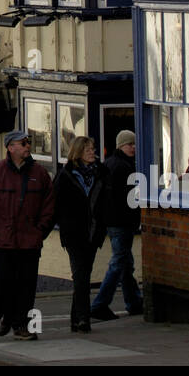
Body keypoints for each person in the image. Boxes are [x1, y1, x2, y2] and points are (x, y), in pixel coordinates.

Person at [0, 129, 56, 340]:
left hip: (29, 241)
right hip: (3, 240)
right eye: (23, 143)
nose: (27, 146)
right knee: (1, 281)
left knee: (26, 286)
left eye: (28, 143)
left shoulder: (39, 174)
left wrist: (40, 231)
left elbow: (49, 206)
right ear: (11, 148)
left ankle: (21, 325)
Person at [54, 133, 107, 333]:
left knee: (84, 274)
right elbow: (55, 204)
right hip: (74, 233)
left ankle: (75, 318)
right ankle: (84, 319)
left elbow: (105, 202)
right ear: (78, 152)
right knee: (80, 275)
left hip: (93, 232)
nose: (93, 152)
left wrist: (103, 223)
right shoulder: (66, 175)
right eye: (88, 150)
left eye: (93, 149)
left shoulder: (100, 173)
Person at [92, 130, 143, 322]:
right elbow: (126, 198)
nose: (133, 148)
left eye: (134, 144)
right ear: (120, 146)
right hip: (121, 221)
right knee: (119, 262)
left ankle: (134, 302)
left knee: (125, 263)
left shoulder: (112, 164)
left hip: (115, 221)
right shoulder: (122, 167)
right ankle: (100, 304)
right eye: (130, 144)